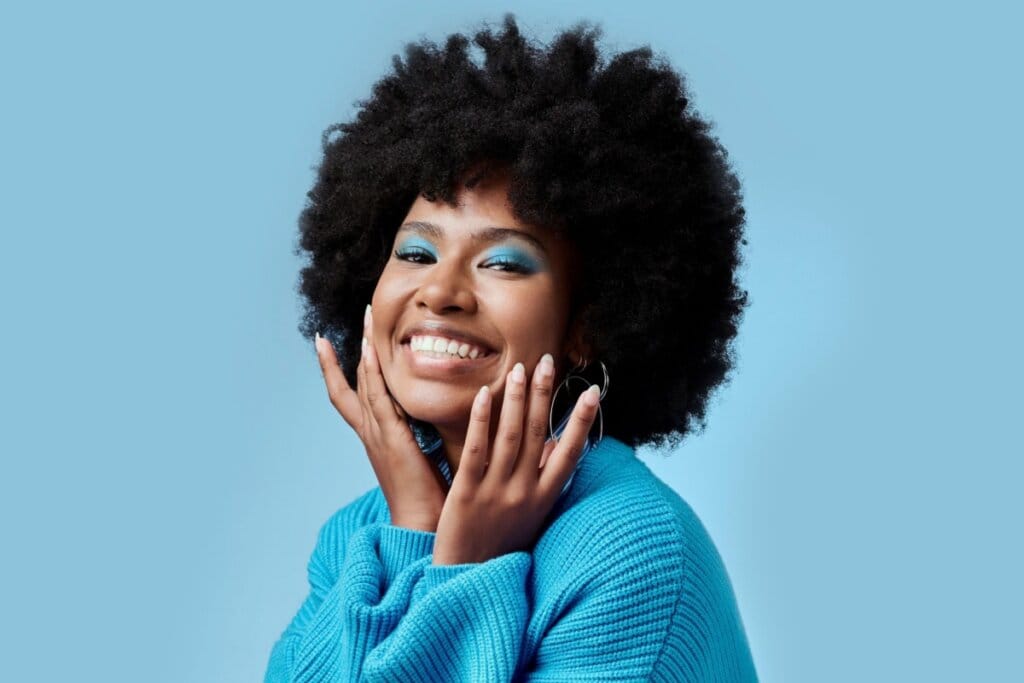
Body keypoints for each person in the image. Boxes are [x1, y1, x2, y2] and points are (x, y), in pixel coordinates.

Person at [265, 14, 758, 682]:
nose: (440, 291)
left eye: (503, 262)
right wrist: (415, 525)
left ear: (587, 323)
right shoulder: (355, 537)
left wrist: (463, 565)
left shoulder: (632, 551)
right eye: (415, 251)